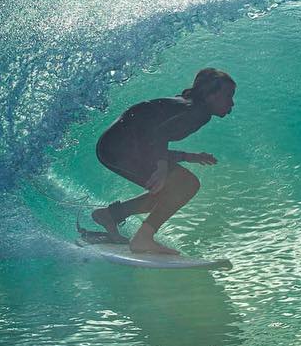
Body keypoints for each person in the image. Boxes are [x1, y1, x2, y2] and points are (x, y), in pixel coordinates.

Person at [91, 67, 236, 255]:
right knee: (187, 185)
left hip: (114, 145)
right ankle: (142, 239)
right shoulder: (197, 111)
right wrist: (161, 168)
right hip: (118, 147)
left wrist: (189, 157)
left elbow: (149, 138)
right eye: (228, 96)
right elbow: (159, 134)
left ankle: (111, 215)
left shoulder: (189, 106)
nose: (231, 103)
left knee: (170, 192)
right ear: (210, 95)